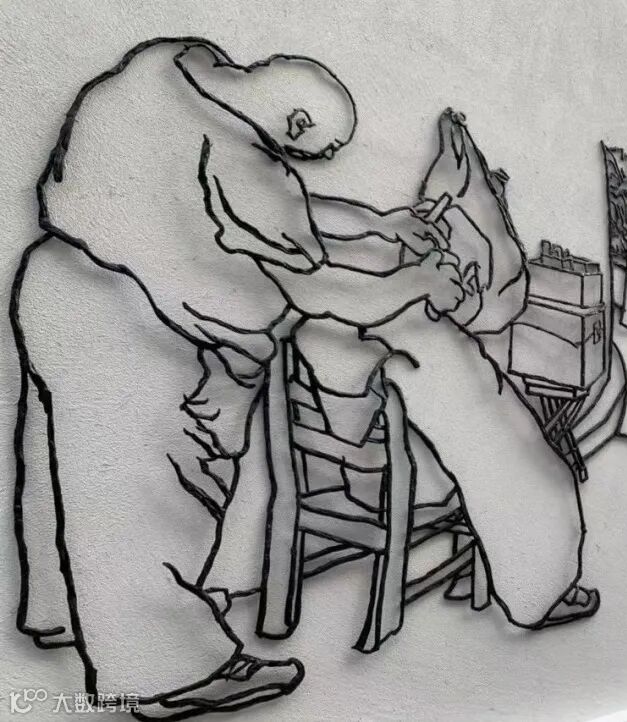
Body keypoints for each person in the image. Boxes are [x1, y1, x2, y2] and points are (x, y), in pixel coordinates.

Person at [14, 37, 595, 721]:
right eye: (310, 152)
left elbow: (291, 233)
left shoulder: (169, 77)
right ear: (294, 123)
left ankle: (58, 613)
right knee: (145, 495)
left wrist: (384, 232)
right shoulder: (235, 163)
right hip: (131, 321)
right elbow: (305, 279)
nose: (302, 166)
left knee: (68, 477)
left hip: (55, 284)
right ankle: (163, 674)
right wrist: (416, 281)